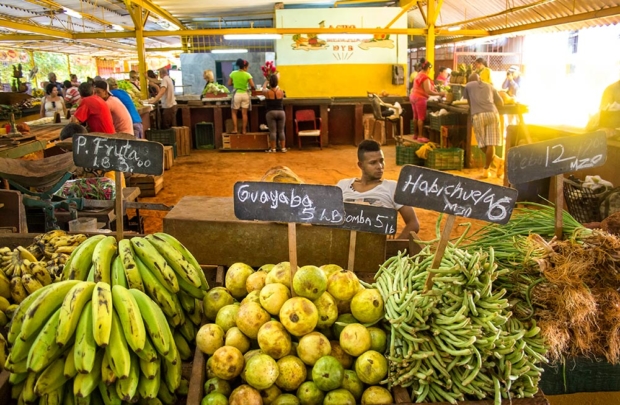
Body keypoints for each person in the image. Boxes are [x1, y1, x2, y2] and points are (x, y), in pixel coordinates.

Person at [337, 139, 419, 239]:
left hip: (379, 249)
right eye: (373, 163)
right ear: (361, 165)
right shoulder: (342, 186)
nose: (380, 166)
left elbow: (413, 223)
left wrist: (394, 247)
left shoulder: (393, 188)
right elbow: (325, 216)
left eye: (381, 161)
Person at [462, 73, 505, 179]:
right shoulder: (490, 86)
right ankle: (490, 167)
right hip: (492, 113)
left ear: (469, 80)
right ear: (480, 78)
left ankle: (496, 162)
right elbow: (501, 103)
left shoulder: (468, 86)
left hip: (478, 115)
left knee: (482, 144)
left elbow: (469, 103)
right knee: (491, 144)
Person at [410, 61, 445, 140]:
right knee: (420, 118)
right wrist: (440, 93)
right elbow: (428, 91)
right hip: (420, 98)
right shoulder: (425, 77)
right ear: (428, 68)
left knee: (415, 117)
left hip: (413, 96)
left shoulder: (418, 75)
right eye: (430, 69)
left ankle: (415, 135)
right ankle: (420, 136)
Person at [228, 59, 255, 134]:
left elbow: (229, 83)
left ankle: (235, 129)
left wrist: (236, 83)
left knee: (234, 112)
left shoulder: (233, 73)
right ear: (245, 67)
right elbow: (253, 86)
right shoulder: (247, 74)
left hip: (237, 94)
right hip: (245, 94)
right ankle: (244, 130)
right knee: (244, 113)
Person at [263, 74, 286, 153]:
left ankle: (273, 149)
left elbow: (263, 89)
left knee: (273, 131)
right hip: (281, 112)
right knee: (281, 131)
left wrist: (266, 82)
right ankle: (283, 148)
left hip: (271, 112)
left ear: (270, 83)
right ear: (277, 82)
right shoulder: (281, 92)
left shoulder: (267, 92)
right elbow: (282, 95)